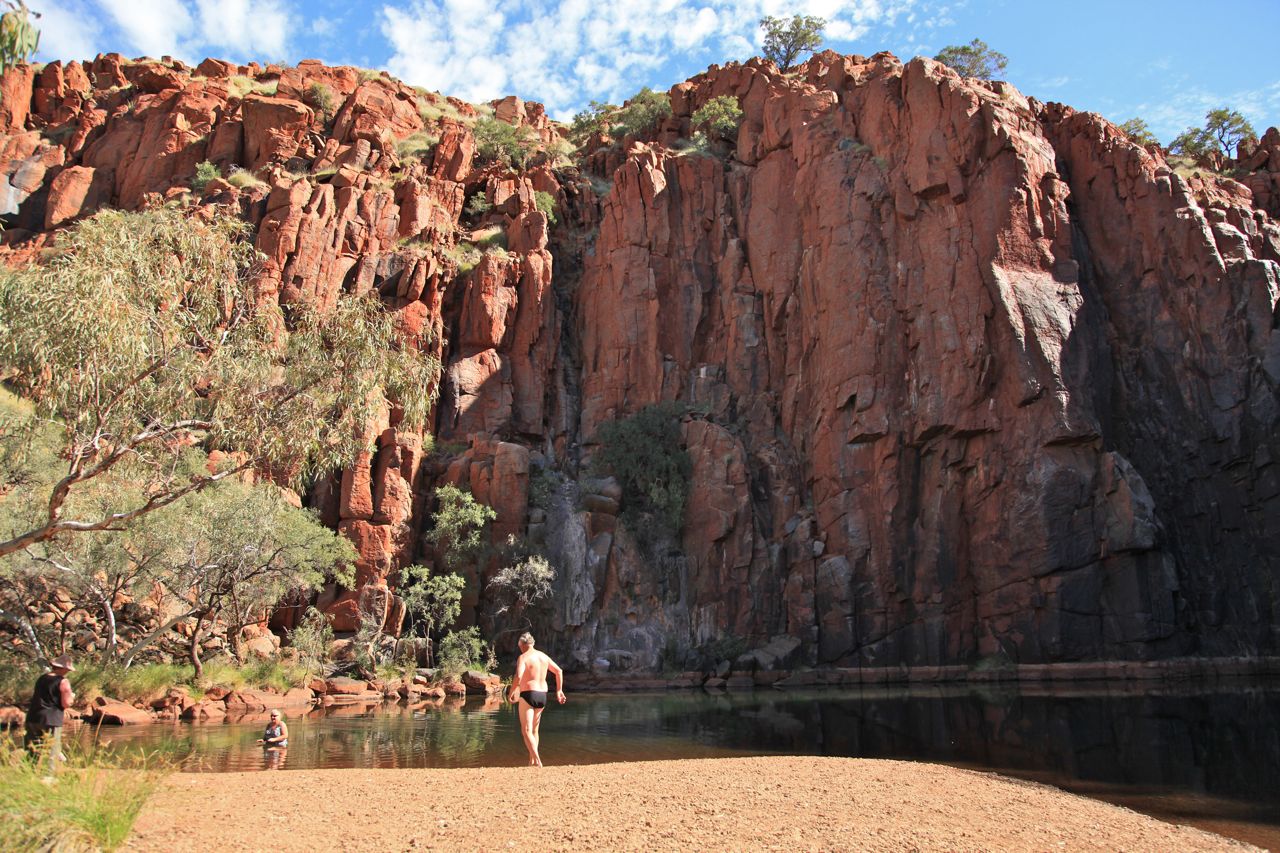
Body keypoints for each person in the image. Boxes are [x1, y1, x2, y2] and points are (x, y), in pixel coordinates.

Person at [507, 632, 565, 767]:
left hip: (528, 693)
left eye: (519, 646)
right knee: (534, 730)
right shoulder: (543, 657)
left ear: (521, 645)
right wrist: (559, 690)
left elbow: (519, 676)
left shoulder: (523, 657)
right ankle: (532, 760)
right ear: (532, 643)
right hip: (542, 695)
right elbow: (559, 671)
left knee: (526, 730)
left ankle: (537, 760)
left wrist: (512, 691)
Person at [25, 654, 75, 771]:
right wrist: (72, 697)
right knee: (52, 749)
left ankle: (29, 773)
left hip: (33, 717)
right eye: (67, 669)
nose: (68, 671)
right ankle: (49, 776)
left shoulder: (42, 678)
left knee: (33, 749)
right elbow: (66, 703)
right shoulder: (63, 681)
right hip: (51, 719)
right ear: (62, 668)